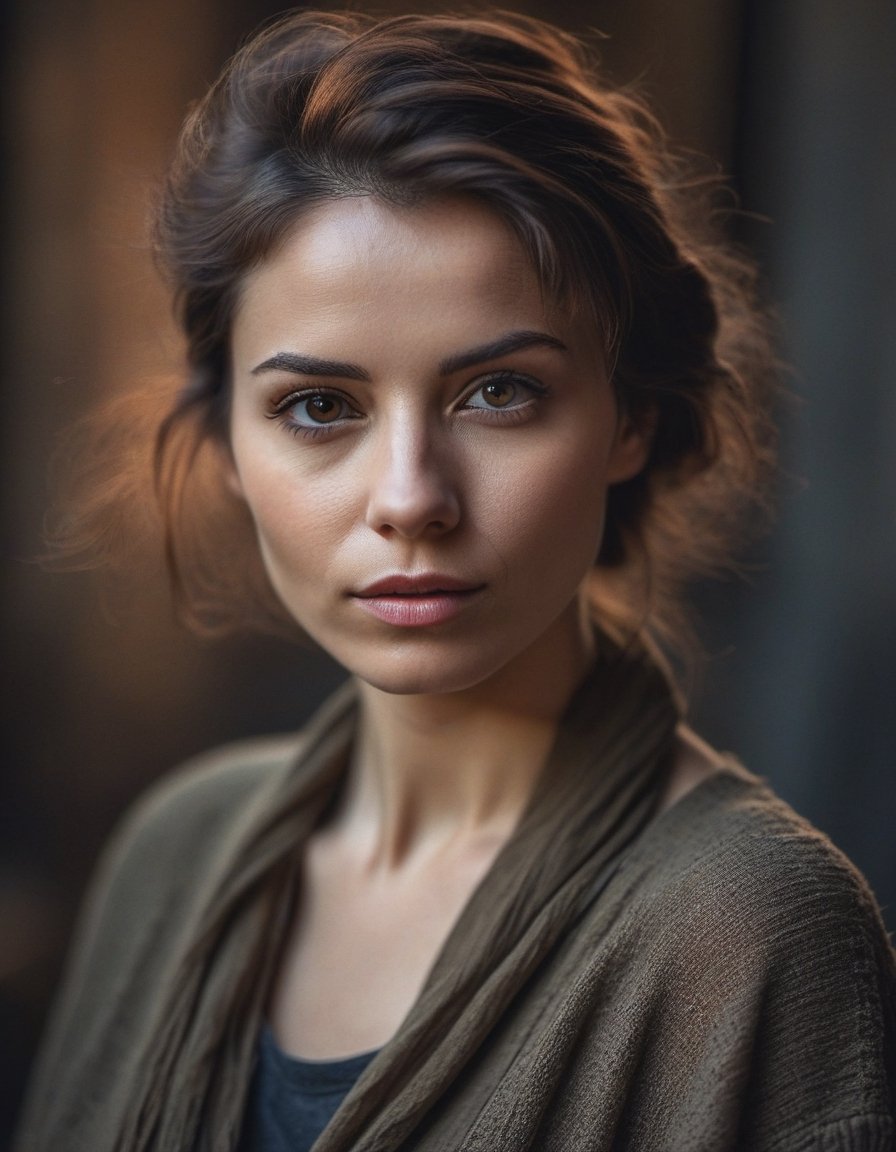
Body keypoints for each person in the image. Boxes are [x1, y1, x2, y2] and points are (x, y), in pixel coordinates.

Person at [15, 10, 896, 1152]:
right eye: (318, 408)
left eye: (497, 394)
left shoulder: (745, 931)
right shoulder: (176, 853)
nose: (410, 495)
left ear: (627, 415)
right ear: (230, 443)